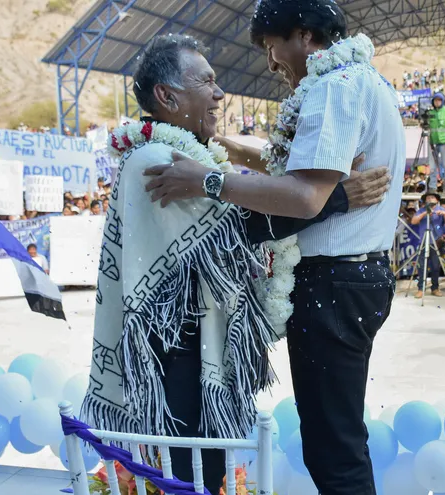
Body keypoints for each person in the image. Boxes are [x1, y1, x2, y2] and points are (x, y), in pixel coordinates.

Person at [88, 31, 394, 494]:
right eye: (206, 83)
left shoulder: (191, 156)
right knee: (190, 474)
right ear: (167, 96)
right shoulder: (157, 158)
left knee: (205, 470)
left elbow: (238, 202)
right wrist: (335, 198)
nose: (219, 93)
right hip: (176, 350)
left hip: (196, 342)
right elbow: (238, 229)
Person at [412, 192, 445, 298]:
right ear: (425, 201)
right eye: (428, 198)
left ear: (437, 199)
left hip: (436, 242)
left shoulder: (442, 210)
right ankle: (421, 288)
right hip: (424, 242)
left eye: (432, 197)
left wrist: (444, 214)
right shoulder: (421, 210)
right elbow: (413, 221)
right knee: (421, 267)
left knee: (435, 267)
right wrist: (424, 214)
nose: (430, 199)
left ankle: (435, 288)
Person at [427, 93, 445, 194]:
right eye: (436, 100)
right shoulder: (430, 112)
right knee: (432, 166)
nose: (437, 102)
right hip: (433, 144)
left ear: (442, 101)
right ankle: (432, 187)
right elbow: (427, 127)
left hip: (444, 144)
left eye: (439, 100)